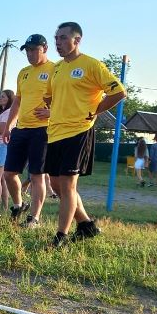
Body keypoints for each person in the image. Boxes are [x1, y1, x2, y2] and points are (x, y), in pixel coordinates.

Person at [44, 22, 126, 247]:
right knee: (56, 185)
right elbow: (49, 95)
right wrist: (52, 105)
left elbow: (118, 91)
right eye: (56, 38)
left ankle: (61, 236)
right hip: (55, 132)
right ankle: (86, 225)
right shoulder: (58, 68)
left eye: (62, 38)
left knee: (68, 185)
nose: (58, 43)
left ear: (76, 40)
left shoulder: (91, 65)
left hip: (78, 131)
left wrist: (95, 110)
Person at [1, 34, 54, 227]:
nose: (30, 54)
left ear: (45, 49)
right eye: (28, 50)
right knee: (8, 173)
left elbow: (64, 98)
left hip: (42, 130)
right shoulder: (23, 72)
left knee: (36, 175)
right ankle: (18, 205)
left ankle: (34, 218)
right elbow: (18, 101)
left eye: (34, 50)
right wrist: (8, 126)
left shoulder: (55, 70)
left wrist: (51, 112)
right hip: (21, 129)